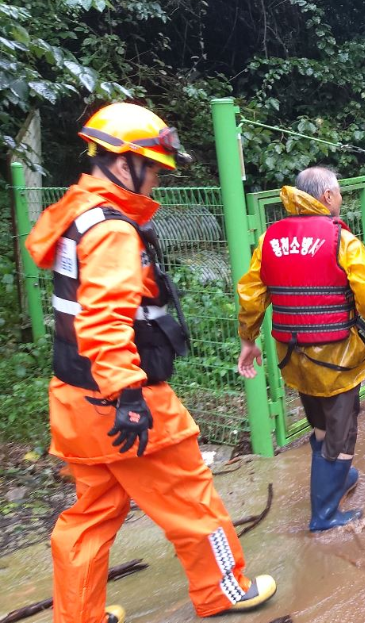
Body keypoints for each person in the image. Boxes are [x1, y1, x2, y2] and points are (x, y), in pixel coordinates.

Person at [26, 103, 275, 623]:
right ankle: (225, 590)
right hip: (125, 401)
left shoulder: (76, 217)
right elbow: (105, 319)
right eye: (155, 168)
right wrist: (130, 398)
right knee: (193, 501)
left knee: (89, 517)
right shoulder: (113, 231)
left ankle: (79, 617)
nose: (158, 180)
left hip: (77, 398)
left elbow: (86, 318)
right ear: (124, 163)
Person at [236, 167, 365, 532]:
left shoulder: (271, 238)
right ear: (327, 197)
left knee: (319, 425)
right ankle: (325, 516)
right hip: (336, 357)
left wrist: (248, 339)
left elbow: (252, 294)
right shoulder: (340, 240)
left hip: (293, 355)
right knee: (341, 433)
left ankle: (339, 478)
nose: (341, 199)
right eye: (338, 193)